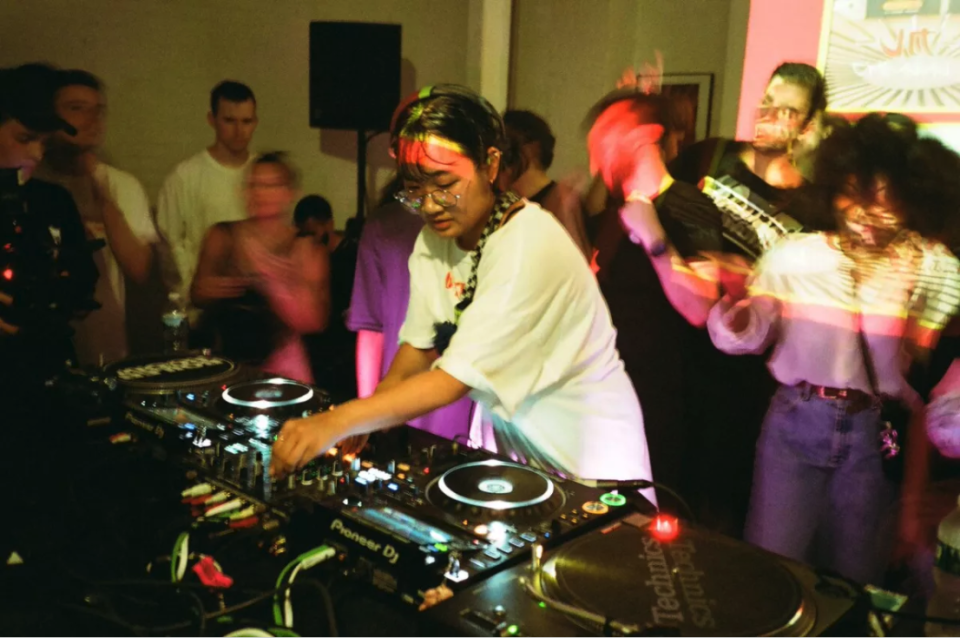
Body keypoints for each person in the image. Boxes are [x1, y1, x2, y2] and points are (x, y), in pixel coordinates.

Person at [270, 85, 652, 495]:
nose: (429, 205)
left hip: (589, 459)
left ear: (490, 165)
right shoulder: (434, 242)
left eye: (444, 183)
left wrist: (338, 420)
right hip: (514, 452)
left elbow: (452, 380)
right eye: (414, 189)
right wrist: (367, 418)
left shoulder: (527, 242)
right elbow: (418, 348)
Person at [706, 114, 960, 583]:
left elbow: (924, 370)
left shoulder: (931, 267)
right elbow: (749, 336)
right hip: (795, 423)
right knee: (773, 570)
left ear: (911, 201)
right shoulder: (795, 256)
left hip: (873, 435)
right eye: (855, 196)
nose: (867, 214)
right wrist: (736, 309)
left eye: (887, 202)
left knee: (853, 580)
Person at [585, 88, 723, 510]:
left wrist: (655, 239)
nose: (597, 157)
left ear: (645, 135)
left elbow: (702, 309)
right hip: (612, 401)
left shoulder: (686, 204)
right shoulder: (615, 212)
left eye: (607, 138)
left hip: (660, 409)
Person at [33, 69, 156, 366]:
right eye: (76, 108)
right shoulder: (32, 181)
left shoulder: (121, 185)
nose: (91, 119)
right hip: (41, 344)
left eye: (97, 110)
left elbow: (139, 269)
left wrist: (102, 195)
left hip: (106, 345)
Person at [347, 174, 475, 440]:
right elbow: (372, 329)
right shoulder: (386, 227)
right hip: (402, 406)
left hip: (469, 413)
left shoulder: (501, 232)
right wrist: (368, 414)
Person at [0, 63, 98, 403]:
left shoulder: (53, 200)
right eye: (25, 139)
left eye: (43, 142)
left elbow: (83, 278)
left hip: (48, 371)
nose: (37, 154)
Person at [190, 152, 329, 383]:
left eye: (271, 185)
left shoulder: (304, 245)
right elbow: (196, 294)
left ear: (290, 193)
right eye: (254, 185)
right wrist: (214, 289)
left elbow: (314, 321)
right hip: (227, 361)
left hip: (282, 365)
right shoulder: (223, 235)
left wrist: (273, 281)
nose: (261, 193)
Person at [670, 62, 832, 258]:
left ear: (805, 127)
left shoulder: (809, 210)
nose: (769, 116)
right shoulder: (711, 154)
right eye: (767, 102)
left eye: (787, 112)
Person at [157, 80, 258, 330]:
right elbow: (168, 246)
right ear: (212, 120)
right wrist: (191, 291)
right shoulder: (185, 176)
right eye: (229, 121)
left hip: (255, 310)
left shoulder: (262, 174)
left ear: (255, 122)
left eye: (246, 121)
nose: (239, 131)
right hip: (202, 312)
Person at [499, 110, 591, 258]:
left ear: (532, 149)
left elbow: (577, 261)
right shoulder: (506, 203)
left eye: (506, 147)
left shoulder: (561, 201)